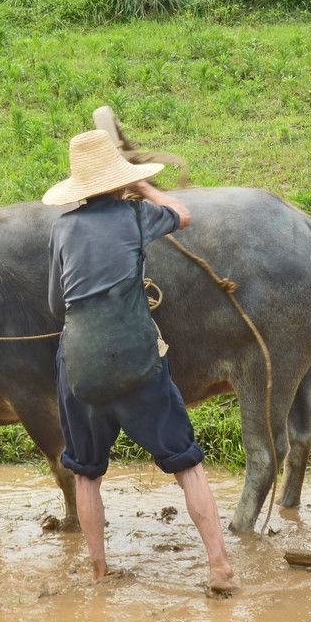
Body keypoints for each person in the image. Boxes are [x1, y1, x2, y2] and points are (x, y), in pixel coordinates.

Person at [43, 129, 238, 596]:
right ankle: (220, 567)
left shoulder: (63, 228)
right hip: (136, 363)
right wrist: (144, 187)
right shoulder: (135, 215)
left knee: (87, 470)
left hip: (80, 366)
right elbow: (183, 214)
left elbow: (56, 305)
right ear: (119, 182)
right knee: (186, 464)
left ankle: (98, 572)